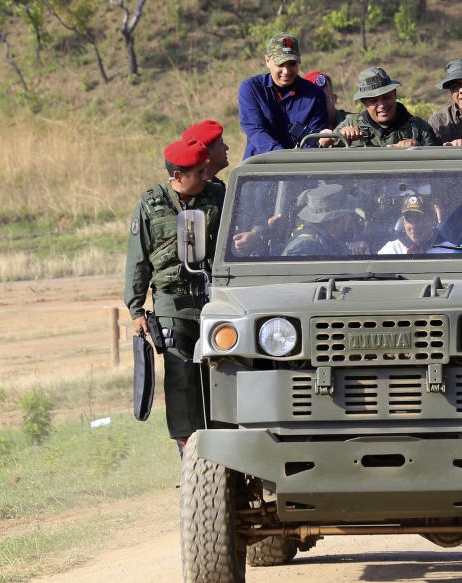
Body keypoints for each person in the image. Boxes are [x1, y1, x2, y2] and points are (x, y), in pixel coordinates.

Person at [125, 139, 226, 453]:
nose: (205, 176)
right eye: (199, 172)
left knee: (222, 370)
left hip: (216, 298)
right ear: (178, 176)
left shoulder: (218, 196)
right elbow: (138, 259)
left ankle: (226, 439)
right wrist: (136, 309)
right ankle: (189, 447)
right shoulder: (150, 204)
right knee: (180, 374)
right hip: (171, 301)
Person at [238, 33, 328, 158]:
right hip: (259, 167)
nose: (286, 71)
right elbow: (256, 132)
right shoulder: (252, 89)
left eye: (292, 64)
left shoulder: (315, 95)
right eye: (280, 64)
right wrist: (282, 158)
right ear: (267, 61)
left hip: (300, 167)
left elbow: (313, 139)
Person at [321, 67, 437, 148]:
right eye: (373, 100)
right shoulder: (350, 124)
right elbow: (325, 159)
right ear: (364, 102)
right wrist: (340, 139)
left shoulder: (420, 128)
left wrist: (418, 149)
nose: (382, 105)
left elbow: (436, 170)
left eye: (386, 97)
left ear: (394, 94)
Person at [282, 184, 366, 257]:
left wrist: (353, 248)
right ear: (333, 223)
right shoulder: (305, 248)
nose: (349, 221)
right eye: (346, 217)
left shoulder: (323, 239)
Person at [378, 195, 449, 254]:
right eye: (409, 218)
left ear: (433, 220)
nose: (413, 226)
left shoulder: (449, 250)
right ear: (403, 221)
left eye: (419, 218)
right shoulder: (392, 250)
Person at [182, 120, 230, 191]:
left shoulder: (213, 187)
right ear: (207, 154)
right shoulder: (197, 192)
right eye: (221, 144)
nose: (227, 148)